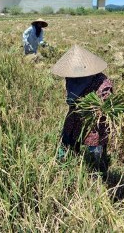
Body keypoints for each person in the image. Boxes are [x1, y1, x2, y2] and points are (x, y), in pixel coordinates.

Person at [51, 44, 113, 172]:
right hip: (74, 116)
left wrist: (98, 107)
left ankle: (98, 171)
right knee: (68, 140)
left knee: (95, 148)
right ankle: (63, 166)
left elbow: (107, 102)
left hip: (94, 122)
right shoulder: (71, 78)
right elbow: (71, 97)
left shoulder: (102, 82)